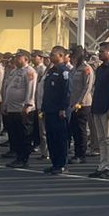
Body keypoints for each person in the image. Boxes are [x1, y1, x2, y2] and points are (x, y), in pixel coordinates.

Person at [84, 43, 109, 179]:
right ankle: (102, 165)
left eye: (102, 51)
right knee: (101, 139)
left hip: (107, 108)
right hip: (97, 107)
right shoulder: (99, 69)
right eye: (99, 51)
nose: (99, 53)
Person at [39, 46, 74, 175]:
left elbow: (67, 92)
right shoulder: (50, 71)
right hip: (49, 109)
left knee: (61, 138)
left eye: (53, 54)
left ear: (61, 56)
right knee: (51, 138)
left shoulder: (64, 72)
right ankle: (55, 164)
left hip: (59, 111)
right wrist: (43, 108)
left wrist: (63, 108)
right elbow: (47, 92)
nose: (50, 56)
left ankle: (62, 165)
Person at [2, 50, 37, 169]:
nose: (16, 59)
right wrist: (5, 104)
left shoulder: (30, 72)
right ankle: (18, 157)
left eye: (19, 57)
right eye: (16, 57)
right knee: (14, 134)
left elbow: (31, 89)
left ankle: (24, 158)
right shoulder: (14, 71)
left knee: (24, 135)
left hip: (22, 108)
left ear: (26, 59)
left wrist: (28, 105)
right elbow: (8, 89)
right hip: (12, 108)